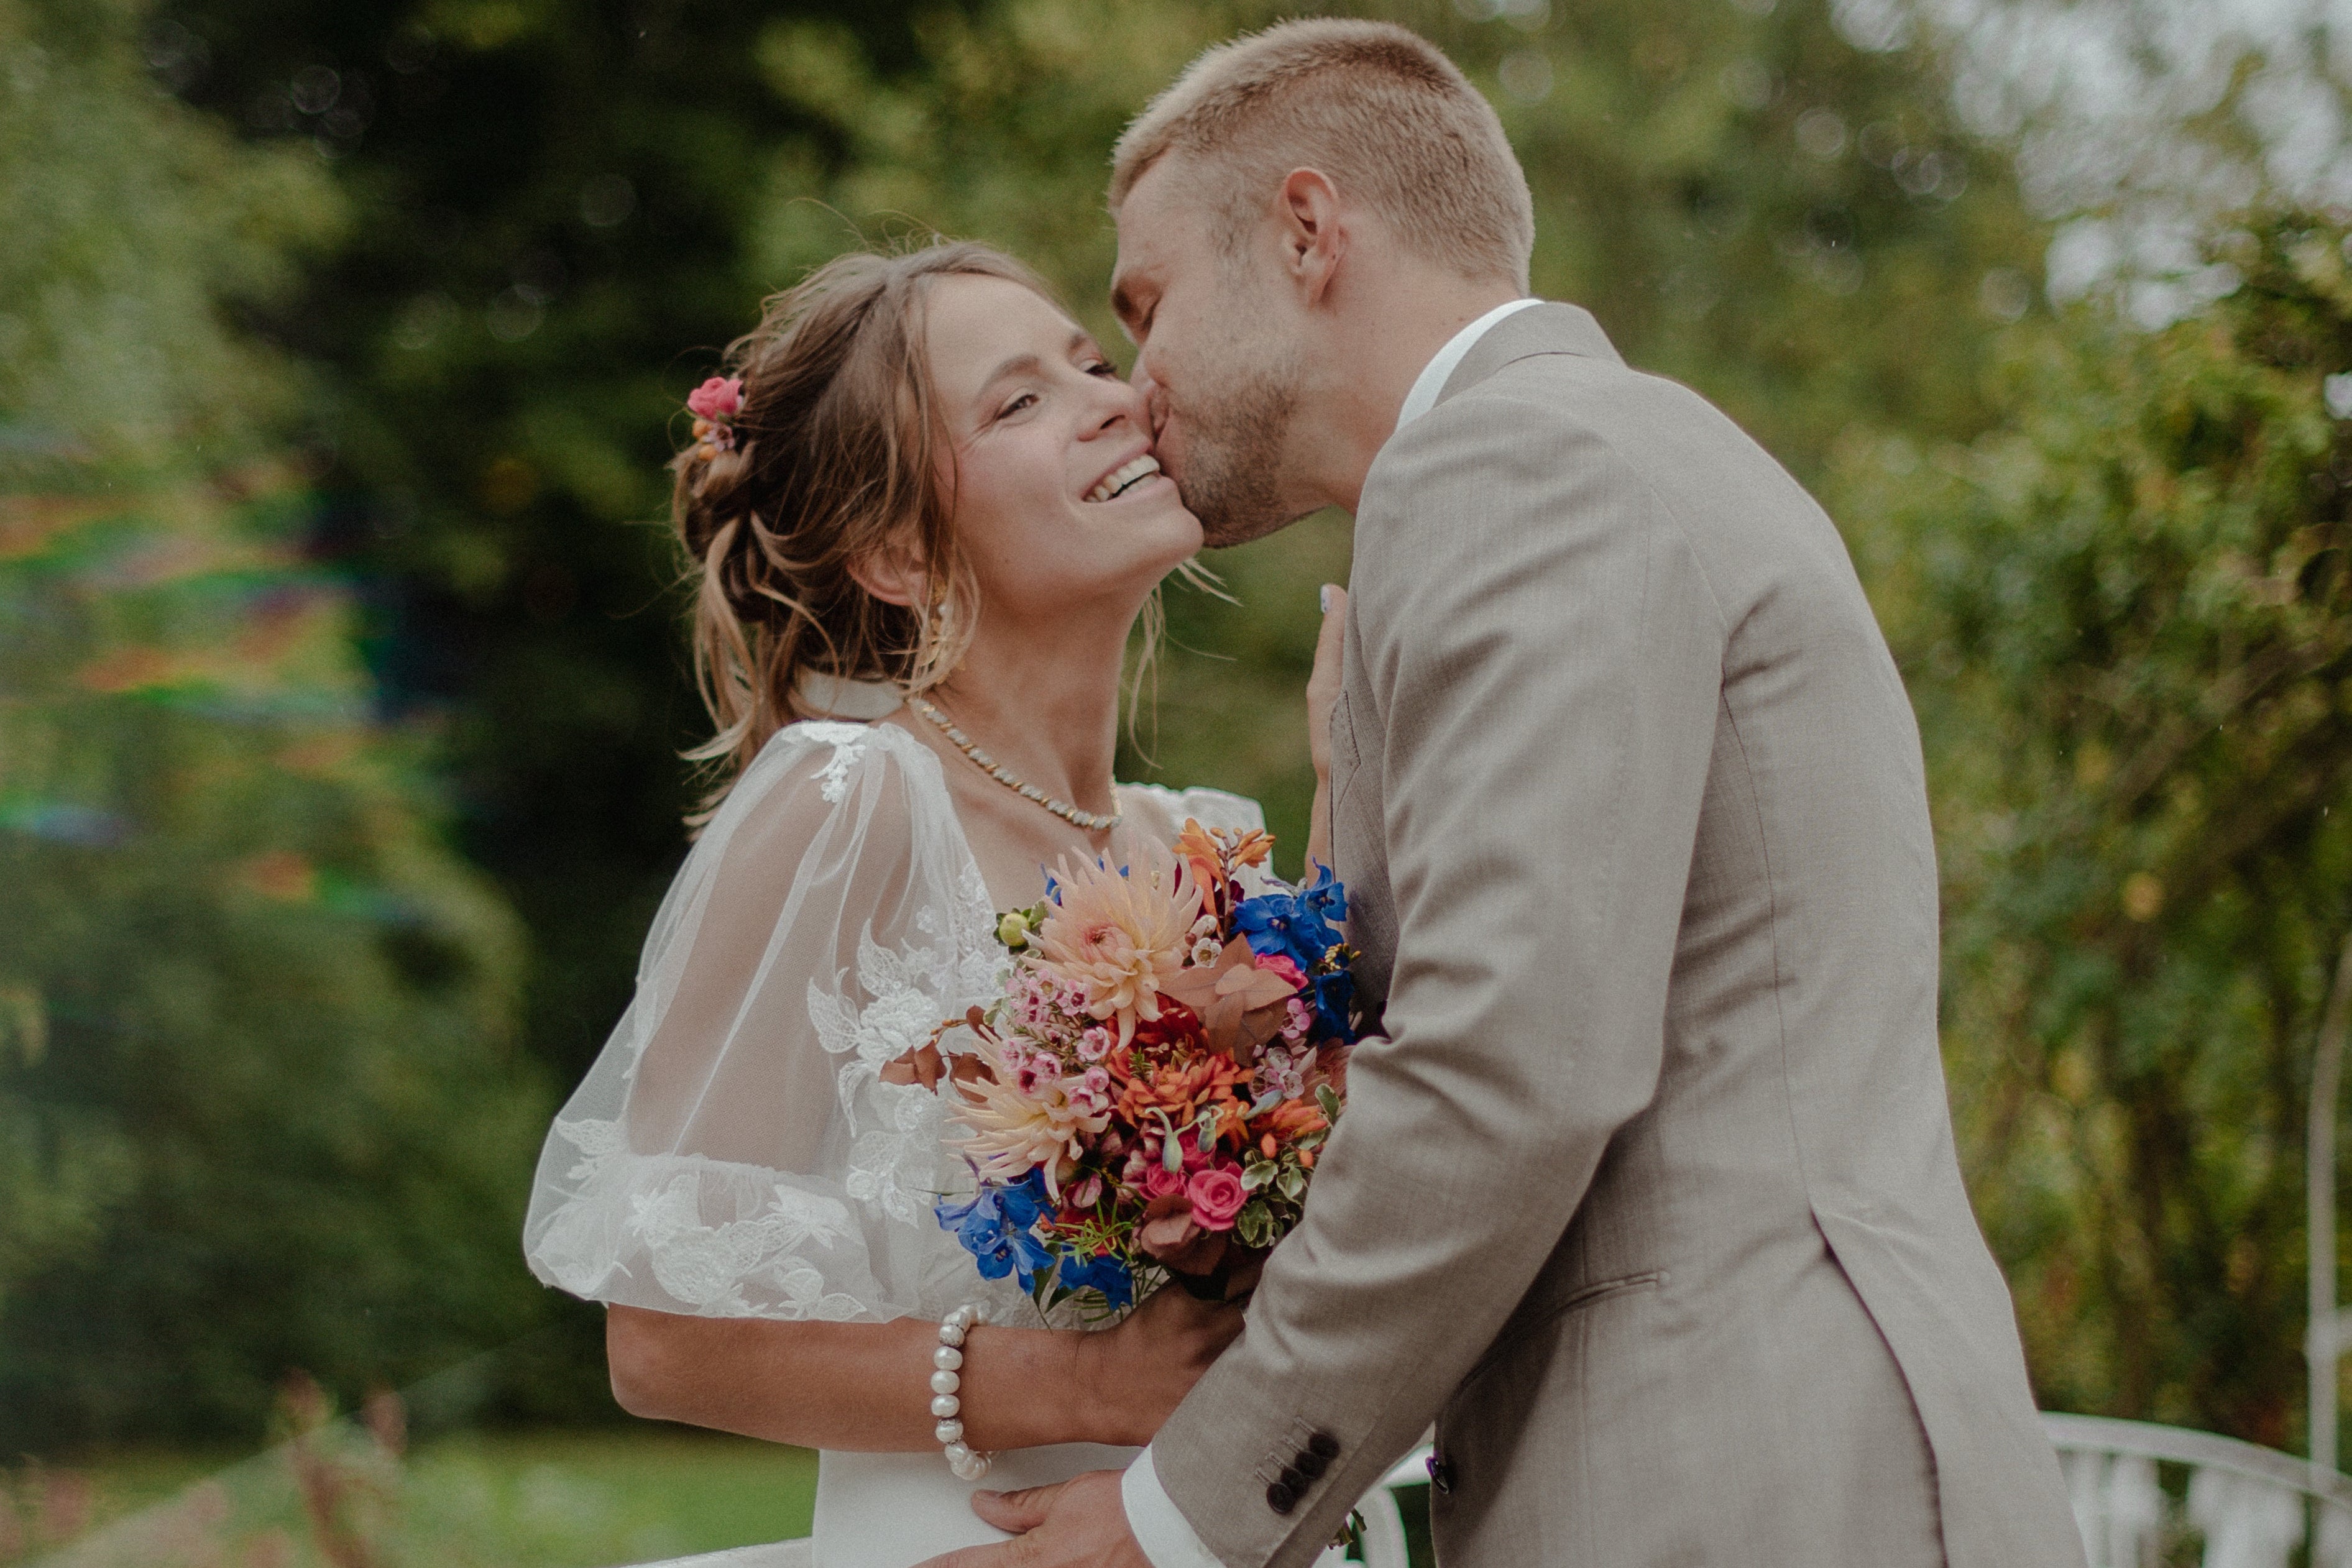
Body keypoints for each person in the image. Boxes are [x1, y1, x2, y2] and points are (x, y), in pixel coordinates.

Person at [922, 19, 2086, 1568]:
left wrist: (1171, 1520)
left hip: (1729, 1478)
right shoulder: (1614, 450)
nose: (1138, 385)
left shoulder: (1510, 468)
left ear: (1306, 229)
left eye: (1146, 307)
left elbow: (1506, 1065)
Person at [521, 241, 1280, 1568]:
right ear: (893, 553)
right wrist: (1087, 1384)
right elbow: (659, 1335)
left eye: (1091, 364)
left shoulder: (1217, 846)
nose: (1108, 397)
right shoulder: (849, 804)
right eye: (1018, 401)